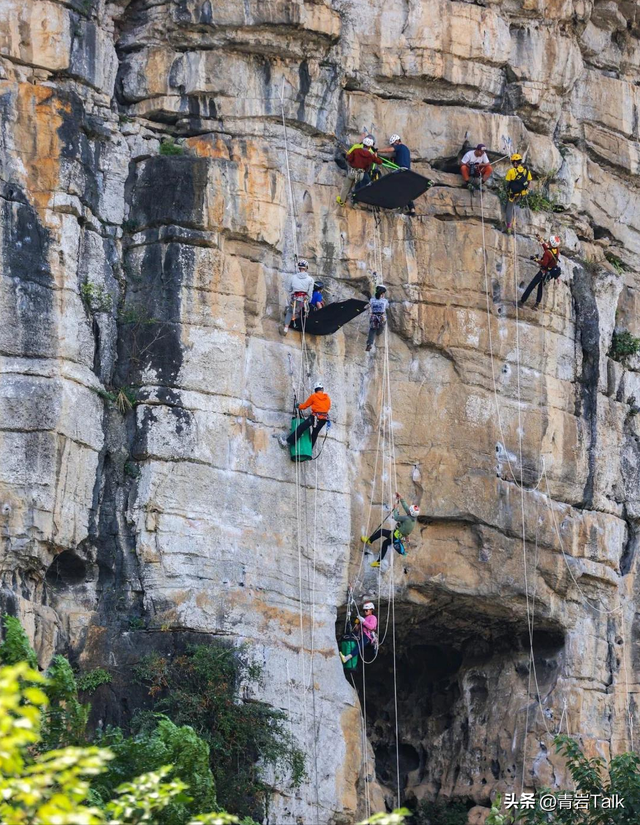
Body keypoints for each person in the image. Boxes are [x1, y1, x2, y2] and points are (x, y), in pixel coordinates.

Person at [362, 493, 419, 567]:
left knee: (381, 531)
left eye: (410, 510)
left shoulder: (407, 518)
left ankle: (369, 541)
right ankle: (378, 562)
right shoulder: (413, 521)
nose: (408, 510)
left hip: (395, 535)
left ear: (411, 513)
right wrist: (401, 498)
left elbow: (396, 517)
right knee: (385, 544)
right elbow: (406, 508)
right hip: (398, 537)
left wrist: (395, 509)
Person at [279, 383, 331, 449]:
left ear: (315, 390)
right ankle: (309, 450)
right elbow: (328, 407)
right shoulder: (327, 398)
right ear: (322, 389)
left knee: (301, 428)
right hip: (323, 419)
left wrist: (298, 406)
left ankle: (287, 442)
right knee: (315, 434)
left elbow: (304, 406)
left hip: (315, 418)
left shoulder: (314, 396)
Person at [337, 136, 385, 206]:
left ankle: (341, 201)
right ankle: (356, 200)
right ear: (370, 146)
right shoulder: (370, 155)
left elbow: (349, 158)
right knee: (360, 185)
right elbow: (380, 162)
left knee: (346, 187)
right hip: (361, 174)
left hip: (353, 172)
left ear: (363, 143)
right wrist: (375, 156)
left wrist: (353, 163)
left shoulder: (356, 150)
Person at [519, 235, 562, 307]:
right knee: (540, 287)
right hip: (550, 272)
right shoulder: (556, 250)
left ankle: (522, 301)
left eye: (549, 241)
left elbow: (544, 263)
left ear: (551, 243)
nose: (548, 241)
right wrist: (542, 242)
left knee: (531, 286)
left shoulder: (547, 253)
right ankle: (536, 304)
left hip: (543, 272)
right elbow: (549, 251)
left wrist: (535, 259)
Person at [378, 134, 416, 215]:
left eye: (393, 144)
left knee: (394, 186)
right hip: (407, 172)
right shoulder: (405, 149)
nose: (393, 146)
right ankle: (412, 209)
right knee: (405, 190)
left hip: (401, 171)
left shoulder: (400, 146)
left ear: (397, 141)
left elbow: (389, 150)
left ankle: (394, 205)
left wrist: (377, 150)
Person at [282, 259, 314, 335]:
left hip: (295, 299)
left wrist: (292, 293)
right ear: (306, 268)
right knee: (302, 312)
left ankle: (286, 328)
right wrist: (309, 300)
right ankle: (300, 327)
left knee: (290, 311)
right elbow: (310, 292)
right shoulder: (310, 279)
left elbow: (289, 289)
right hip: (303, 301)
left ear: (299, 268)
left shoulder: (293, 277)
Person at [504, 153, 532, 233]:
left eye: (513, 162)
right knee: (515, 205)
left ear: (514, 162)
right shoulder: (526, 171)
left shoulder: (511, 171)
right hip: (522, 193)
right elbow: (529, 181)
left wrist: (507, 190)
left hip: (512, 194)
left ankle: (509, 226)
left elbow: (507, 183)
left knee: (509, 208)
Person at [366, 284, 388, 352]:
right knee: (379, 331)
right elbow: (387, 307)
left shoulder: (372, 300)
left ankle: (369, 343)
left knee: (372, 330)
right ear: (383, 293)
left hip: (373, 316)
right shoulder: (385, 301)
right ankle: (380, 326)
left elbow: (367, 306)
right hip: (381, 316)